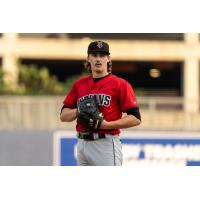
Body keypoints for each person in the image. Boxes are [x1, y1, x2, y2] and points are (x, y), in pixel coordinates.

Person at [60, 40, 141, 166]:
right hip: (82, 144)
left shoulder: (120, 84)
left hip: (106, 144)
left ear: (108, 59)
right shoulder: (79, 84)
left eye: (102, 55)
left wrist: (107, 125)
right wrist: (79, 110)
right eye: (94, 55)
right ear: (88, 59)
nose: (98, 59)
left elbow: (136, 118)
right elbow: (63, 116)